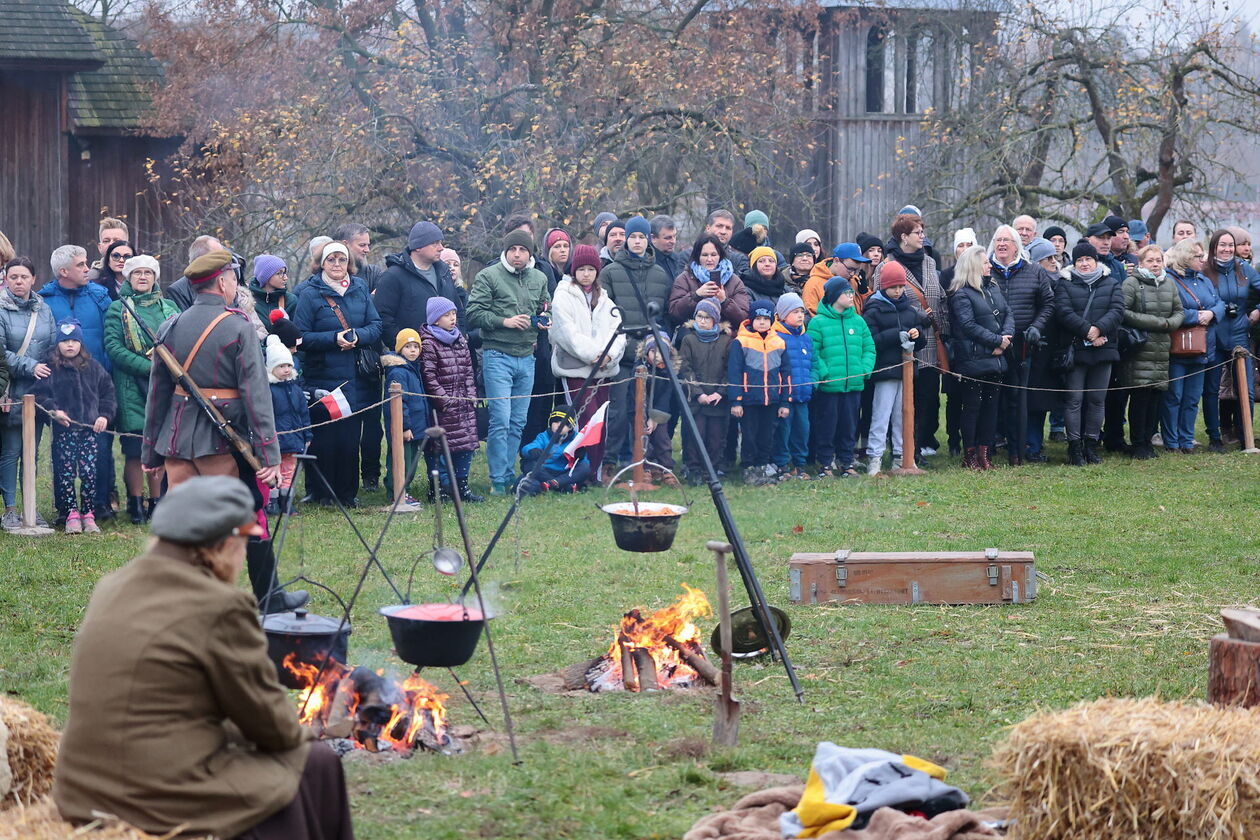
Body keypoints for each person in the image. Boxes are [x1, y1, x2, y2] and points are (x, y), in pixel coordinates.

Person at [52, 476, 354, 840]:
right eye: (245, 543)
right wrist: (305, 732)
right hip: (153, 798)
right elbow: (268, 725)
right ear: (224, 544)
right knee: (316, 761)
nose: (244, 555)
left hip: (82, 789)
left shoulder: (112, 585)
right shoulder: (219, 606)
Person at [291, 242, 383, 507]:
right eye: (330, 259)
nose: (336, 265)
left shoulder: (359, 288)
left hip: (356, 377)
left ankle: (347, 493)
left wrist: (356, 337)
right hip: (323, 376)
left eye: (341, 260)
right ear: (321, 262)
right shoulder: (309, 293)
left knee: (350, 437)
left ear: (348, 263)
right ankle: (321, 492)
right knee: (325, 437)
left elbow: (375, 325)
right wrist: (334, 338)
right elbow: (301, 336)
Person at [467, 229, 551, 494]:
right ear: (505, 251)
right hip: (497, 355)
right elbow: (473, 313)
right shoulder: (488, 276)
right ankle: (497, 481)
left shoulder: (539, 277)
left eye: (523, 250)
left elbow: (544, 304)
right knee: (500, 419)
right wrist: (505, 321)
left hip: (527, 356)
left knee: (518, 421)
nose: (517, 254)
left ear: (530, 253)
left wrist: (543, 318)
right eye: (513, 249)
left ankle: (508, 474)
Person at [40, 244, 116, 520]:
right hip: (60, 390)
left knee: (101, 449)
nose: (88, 269)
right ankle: (66, 509)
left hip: (96, 385)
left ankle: (98, 505)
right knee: (63, 455)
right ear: (63, 271)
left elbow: (110, 335)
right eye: (81, 265)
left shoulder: (99, 297)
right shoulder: (45, 300)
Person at [104, 255, 179, 524]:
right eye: (137, 273)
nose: (143, 277)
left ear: (155, 277)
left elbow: (180, 342)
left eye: (148, 273)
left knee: (162, 448)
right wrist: (151, 367)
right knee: (135, 449)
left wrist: (164, 369)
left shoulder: (169, 308)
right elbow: (114, 348)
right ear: (128, 277)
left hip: (165, 388)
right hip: (131, 387)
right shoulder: (117, 308)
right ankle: (135, 503)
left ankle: (157, 503)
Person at [599, 216, 673, 477]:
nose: (637, 241)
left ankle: (650, 464)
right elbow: (604, 316)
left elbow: (662, 317)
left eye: (642, 237)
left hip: (650, 351)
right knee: (618, 412)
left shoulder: (660, 274)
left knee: (650, 411)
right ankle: (609, 464)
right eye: (633, 237)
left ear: (648, 239)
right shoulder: (610, 273)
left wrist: (655, 347)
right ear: (627, 240)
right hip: (621, 352)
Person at [875, 214, 946, 462]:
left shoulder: (928, 262)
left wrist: (943, 333)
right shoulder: (887, 266)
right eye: (917, 232)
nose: (922, 236)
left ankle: (919, 445)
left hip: (930, 346)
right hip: (902, 348)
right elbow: (880, 303)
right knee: (905, 403)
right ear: (904, 237)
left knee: (927, 399)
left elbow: (940, 299)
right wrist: (917, 316)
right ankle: (905, 451)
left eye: (923, 231)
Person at [33, 319, 115, 533]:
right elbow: (39, 395)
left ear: (81, 343)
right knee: (65, 472)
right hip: (64, 432)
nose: (70, 345)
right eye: (65, 341)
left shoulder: (94, 368)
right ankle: (70, 513)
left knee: (89, 472)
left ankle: (88, 513)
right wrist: (54, 410)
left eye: (74, 340)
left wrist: (104, 416)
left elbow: (108, 394)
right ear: (58, 343)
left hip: (89, 432)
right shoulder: (50, 369)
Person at [550, 243, 625, 472]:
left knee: (601, 421)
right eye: (581, 269)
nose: (586, 274)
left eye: (590, 269)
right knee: (584, 419)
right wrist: (594, 354)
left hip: (603, 371)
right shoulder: (563, 296)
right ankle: (580, 469)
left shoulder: (605, 300)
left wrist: (608, 355)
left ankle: (596, 471)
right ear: (574, 270)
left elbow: (618, 331)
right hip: (575, 370)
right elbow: (567, 334)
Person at [987, 224, 1055, 465]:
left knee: (1019, 399)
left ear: (1017, 245)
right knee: (992, 397)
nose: (1002, 244)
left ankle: (1019, 450)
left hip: (1024, 343)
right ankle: (990, 447)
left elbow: (1048, 304)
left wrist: (1036, 327)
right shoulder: (985, 271)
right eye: (998, 240)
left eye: (1007, 240)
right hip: (992, 344)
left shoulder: (1035, 271)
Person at [1054, 241, 1125, 466]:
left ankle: (1091, 444)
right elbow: (1063, 312)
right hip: (1076, 350)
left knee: (1097, 400)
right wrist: (1088, 331)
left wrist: (1099, 330)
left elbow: (1117, 310)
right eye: (1080, 260)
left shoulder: (1111, 283)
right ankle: (1074, 446)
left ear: (1096, 261)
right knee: (1074, 399)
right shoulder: (1064, 284)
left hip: (1103, 348)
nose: (1084, 264)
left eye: (1088, 259)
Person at [0, 258, 56, 529]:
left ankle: (30, 507)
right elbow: (0, 353)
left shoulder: (44, 310)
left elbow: (53, 345)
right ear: (6, 279)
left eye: (23, 276)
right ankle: (10, 509)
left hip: (38, 393)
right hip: (11, 391)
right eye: (13, 277)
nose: (19, 281)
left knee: (31, 452)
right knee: (11, 450)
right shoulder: (0, 309)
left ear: (33, 279)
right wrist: (31, 366)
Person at [948, 245, 1014, 470]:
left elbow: (1008, 314)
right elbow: (967, 326)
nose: (989, 265)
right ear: (974, 266)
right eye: (985, 262)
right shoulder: (961, 294)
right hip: (974, 360)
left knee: (991, 408)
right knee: (973, 408)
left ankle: (984, 455)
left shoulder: (993, 288)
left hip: (996, 359)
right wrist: (996, 342)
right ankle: (970, 456)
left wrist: (1005, 339)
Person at [861, 262, 926, 475]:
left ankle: (902, 455)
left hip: (906, 372)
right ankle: (875, 457)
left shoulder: (910, 310)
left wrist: (917, 335)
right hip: (886, 371)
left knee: (903, 415)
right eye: (893, 287)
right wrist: (895, 334)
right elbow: (871, 339)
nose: (898, 291)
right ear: (884, 287)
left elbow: (921, 342)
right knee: (881, 414)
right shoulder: (874, 309)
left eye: (900, 287)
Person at [1119, 244, 1183, 459]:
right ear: (1140, 262)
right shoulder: (1131, 284)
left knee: (1156, 397)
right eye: (1150, 260)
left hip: (1161, 349)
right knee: (1140, 398)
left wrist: (1169, 324)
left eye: (1158, 260)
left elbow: (1179, 311)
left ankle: (1148, 441)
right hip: (1140, 348)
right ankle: (1137, 443)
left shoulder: (1169, 284)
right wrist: (1155, 322)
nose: (1155, 264)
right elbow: (1123, 311)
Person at [807, 276, 875, 477]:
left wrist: (863, 369)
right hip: (830, 387)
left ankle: (847, 461)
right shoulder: (818, 322)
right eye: (846, 292)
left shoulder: (858, 321)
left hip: (853, 385)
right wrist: (825, 373)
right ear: (835, 296)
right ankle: (826, 462)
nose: (851, 295)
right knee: (827, 425)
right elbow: (813, 351)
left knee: (849, 425)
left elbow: (869, 348)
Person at [1162, 238, 1223, 454]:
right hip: (1178, 348)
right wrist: (1197, 315)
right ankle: (1171, 441)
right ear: (1186, 258)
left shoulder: (1204, 280)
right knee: (1174, 397)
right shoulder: (1169, 280)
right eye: (1198, 256)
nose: (1203, 259)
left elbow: (1219, 303)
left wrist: (1212, 313)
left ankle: (1187, 441)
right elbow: (1169, 310)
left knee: (1191, 398)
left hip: (1203, 347)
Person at [419, 296, 482, 502]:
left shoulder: (460, 340)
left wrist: (471, 396)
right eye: (447, 315)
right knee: (440, 448)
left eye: (454, 313)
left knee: (465, 446)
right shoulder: (429, 343)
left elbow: (468, 372)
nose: (452, 318)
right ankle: (439, 488)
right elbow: (429, 376)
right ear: (436, 319)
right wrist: (444, 400)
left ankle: (461, 486)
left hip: (464, 404)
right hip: (442, 408)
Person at [1202, 228, 1260, 448]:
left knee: (1247, 388)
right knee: (1212, 388)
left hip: (1239, 334)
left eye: (1230, 245)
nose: (1226, 249)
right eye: (1222, 245)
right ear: (1214, 247)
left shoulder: (1244, 269)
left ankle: (1245, 434)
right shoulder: (1205, 270)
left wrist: (1256, 312)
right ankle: (1215, 437)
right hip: (1213, 335)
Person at [375, 221, 465, 352]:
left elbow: (458, 309)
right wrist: (405, 348)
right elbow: (384, 318)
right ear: (417, 247)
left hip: (448, 356)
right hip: (414, 359)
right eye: (435, 243)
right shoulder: (393, 276)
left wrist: (459, 337)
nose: (441, 248)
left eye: (441, 243)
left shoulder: (444, 271)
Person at [728, 299, 791, 485]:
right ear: (751, 320)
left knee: (767, 436)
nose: (762, 322)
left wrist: (785, 401)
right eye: (758, 318)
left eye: (766, 318)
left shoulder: (779, 342)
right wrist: (736, 400)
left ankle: (762, 467)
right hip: (749, 400)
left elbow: (786, 373)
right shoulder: (741, 342)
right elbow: (734, 372)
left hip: (771, 399)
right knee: (749, 435)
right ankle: (748, 468)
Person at [677, 298, 733, 483]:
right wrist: (698, 392)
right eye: (699, 316)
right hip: (696, 398)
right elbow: (685, 367)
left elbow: (729, 370)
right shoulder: (688, 339)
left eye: (707, 317)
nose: (702, 321)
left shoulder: (726, 341)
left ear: (715, 320)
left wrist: (720, 392)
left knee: (716, 437)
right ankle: (693, 469)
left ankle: (712, 469)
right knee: (695, 434)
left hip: (718, 398)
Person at [381, 328, 428, 511]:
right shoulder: (398, 372)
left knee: (411, 461)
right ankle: (397, 491)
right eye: (408, 346)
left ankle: (404, 490)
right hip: (403, 426)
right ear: (400, 349)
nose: (413, 350)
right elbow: (401, 404)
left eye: (416, 346)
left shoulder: (413, 369)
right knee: (401, 460)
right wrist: (404, 427)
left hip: (415, 426)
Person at [265, 334, 311, 515]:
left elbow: (303, 413)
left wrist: (307, 435)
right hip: (275, 438)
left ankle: (287, 500)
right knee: (272, 470)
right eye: (281, 366)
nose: (285, 370)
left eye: (288, 365)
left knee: (289, 470)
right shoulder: (268, 390)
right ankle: (272, 501)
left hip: (294, 437)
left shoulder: (295, 388)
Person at [667, 233, 750, 330]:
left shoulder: (734, 281)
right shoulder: (685, 278)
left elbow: (743, 319)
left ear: (720, 255)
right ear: (698, 256)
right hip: (692, 335)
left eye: (714, 255)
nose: (709, 259)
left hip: (725, 337)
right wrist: (696, 296)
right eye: (705, 255)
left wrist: (724, 302)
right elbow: (674, 314)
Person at [772, 293, 814, 478]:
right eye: (794, 312)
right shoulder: (776, 337)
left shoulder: (807, 338)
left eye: (801, 312)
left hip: (803, 394)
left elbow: (813, 362)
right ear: (782, 315)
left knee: (802, 430)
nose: (799, 316)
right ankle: (782, 464)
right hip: (784, 396)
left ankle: (800, 464)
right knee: (783, 431)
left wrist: (813, 381)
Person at [517, 408, 594, 494]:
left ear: (570, 427)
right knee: (529, 465)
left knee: (585, 468)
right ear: (551, 423)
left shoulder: (576, 439)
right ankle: (560, 486)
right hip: (544, 471)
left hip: (565, 473)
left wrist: (580, 455)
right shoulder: (544, 436)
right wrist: (532, 450)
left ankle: (555, 484)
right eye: (556, 422)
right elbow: (526, 449)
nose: (559, 425)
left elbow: (584, 462)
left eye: (564, 423)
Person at [638, 331, 678, 484]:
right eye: (654, 351)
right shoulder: (640, 369)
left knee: (663, 440)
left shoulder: (669, 371)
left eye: (662, 351)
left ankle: (666, 468)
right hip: (640, 411)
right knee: (643, 440)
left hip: (660, 412)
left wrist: (654, 418)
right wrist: (647, 417)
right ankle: (645, 468)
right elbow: (641, 396)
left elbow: (666, 397)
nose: (657, 355)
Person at [803, 243, 870, 316]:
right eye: (850, 269)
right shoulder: (814, 284)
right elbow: (812, 317)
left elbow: (870, 309)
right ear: (836, 260)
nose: (852, 274)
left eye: (856, 270)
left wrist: (864, 293)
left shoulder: (854, 280)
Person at [334, 221, 384, 292]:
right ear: (345, 244)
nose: (367, 250)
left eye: (368, 245)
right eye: (362, 245)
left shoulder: (373, 274)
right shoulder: (327, 275)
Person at [86, 217, 129, 298]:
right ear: (100, 247)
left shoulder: (142, 276)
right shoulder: (90, 279)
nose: (111, 244)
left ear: (127, 245)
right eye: (106, 241)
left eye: (116, 241)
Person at [249, 254, 290, 323]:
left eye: (284, 272)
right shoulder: (247, 301)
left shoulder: (290, 301)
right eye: (279, 273)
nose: (285, 278)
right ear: (265, 277)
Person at [651, 215, 682, 283]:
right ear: (653, 238)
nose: (673, 241)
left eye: (674, 236)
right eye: (668, 238)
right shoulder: (647, 263)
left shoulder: (678, 260)